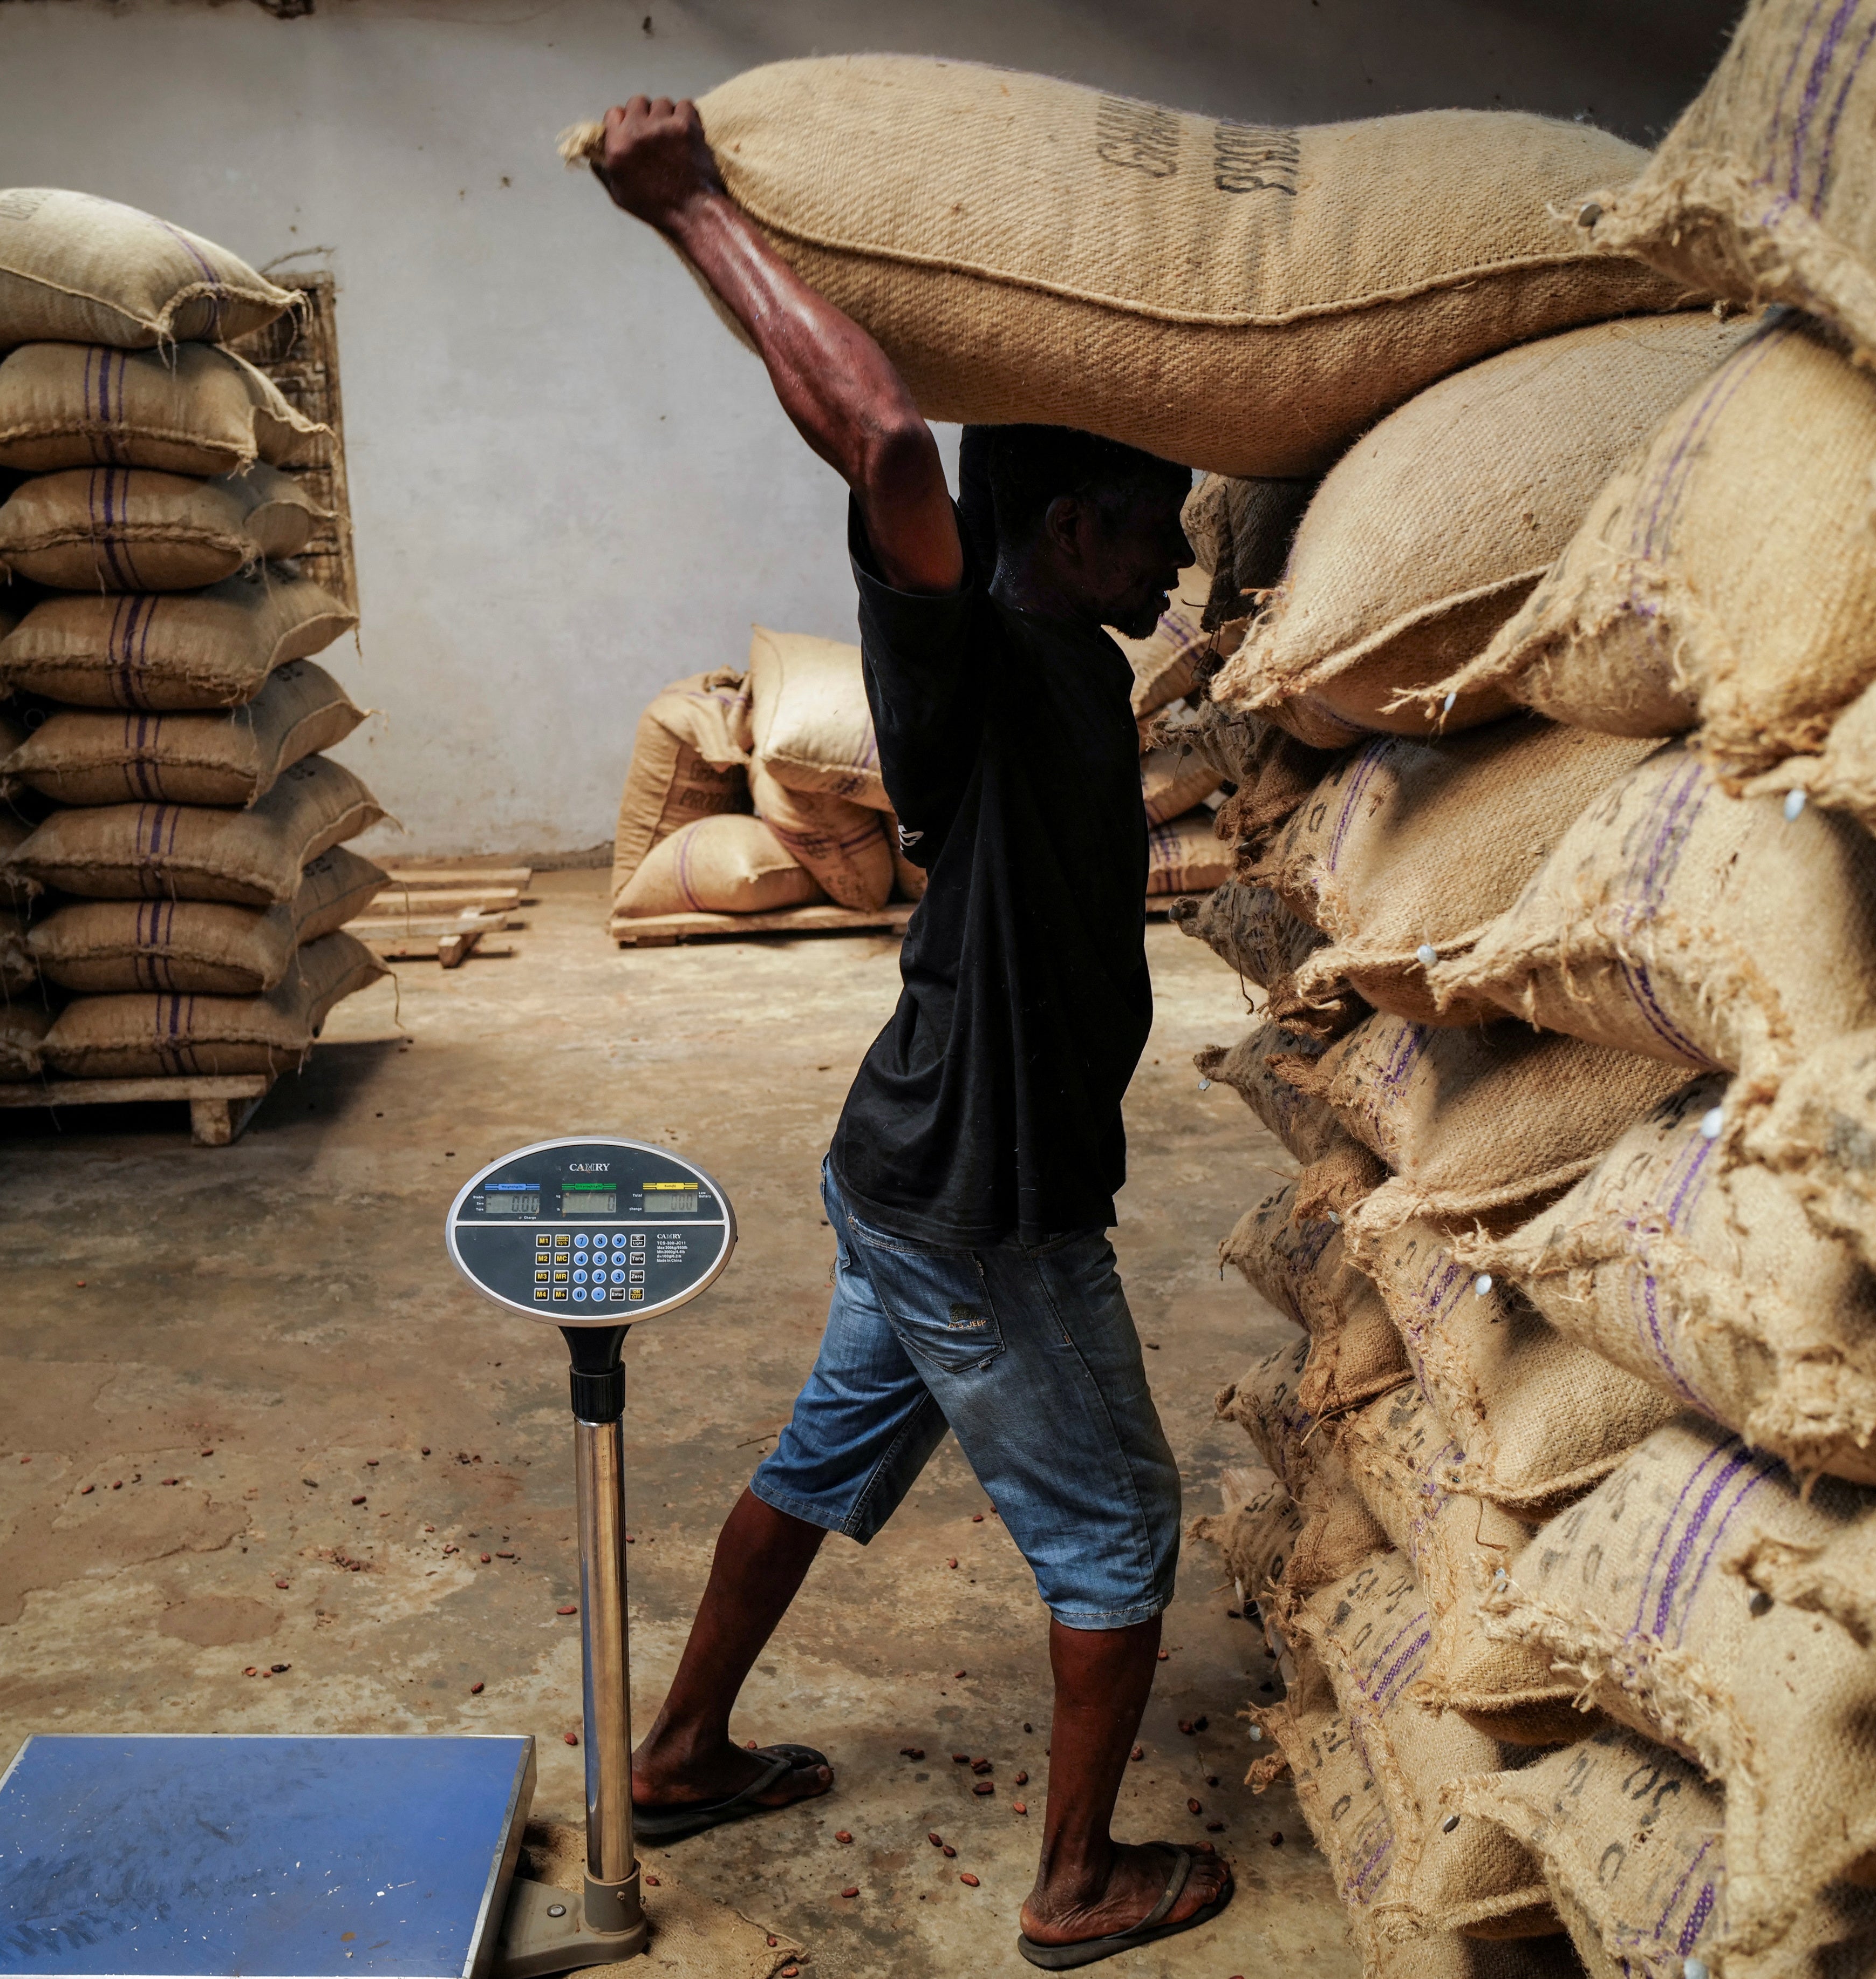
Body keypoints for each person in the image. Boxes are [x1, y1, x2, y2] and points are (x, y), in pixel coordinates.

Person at [589, 93, 1233, 1972]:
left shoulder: (1078, 664)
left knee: (817, 1457)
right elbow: (878, 434)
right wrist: (691, 208)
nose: (1182, 556)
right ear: (1061, 521)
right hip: (985, 1193)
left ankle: (689, 1746)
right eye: (1158, 525)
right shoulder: (954, 651)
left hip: (903, 1162)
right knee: (1119, 1526)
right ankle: (1075, 1881)